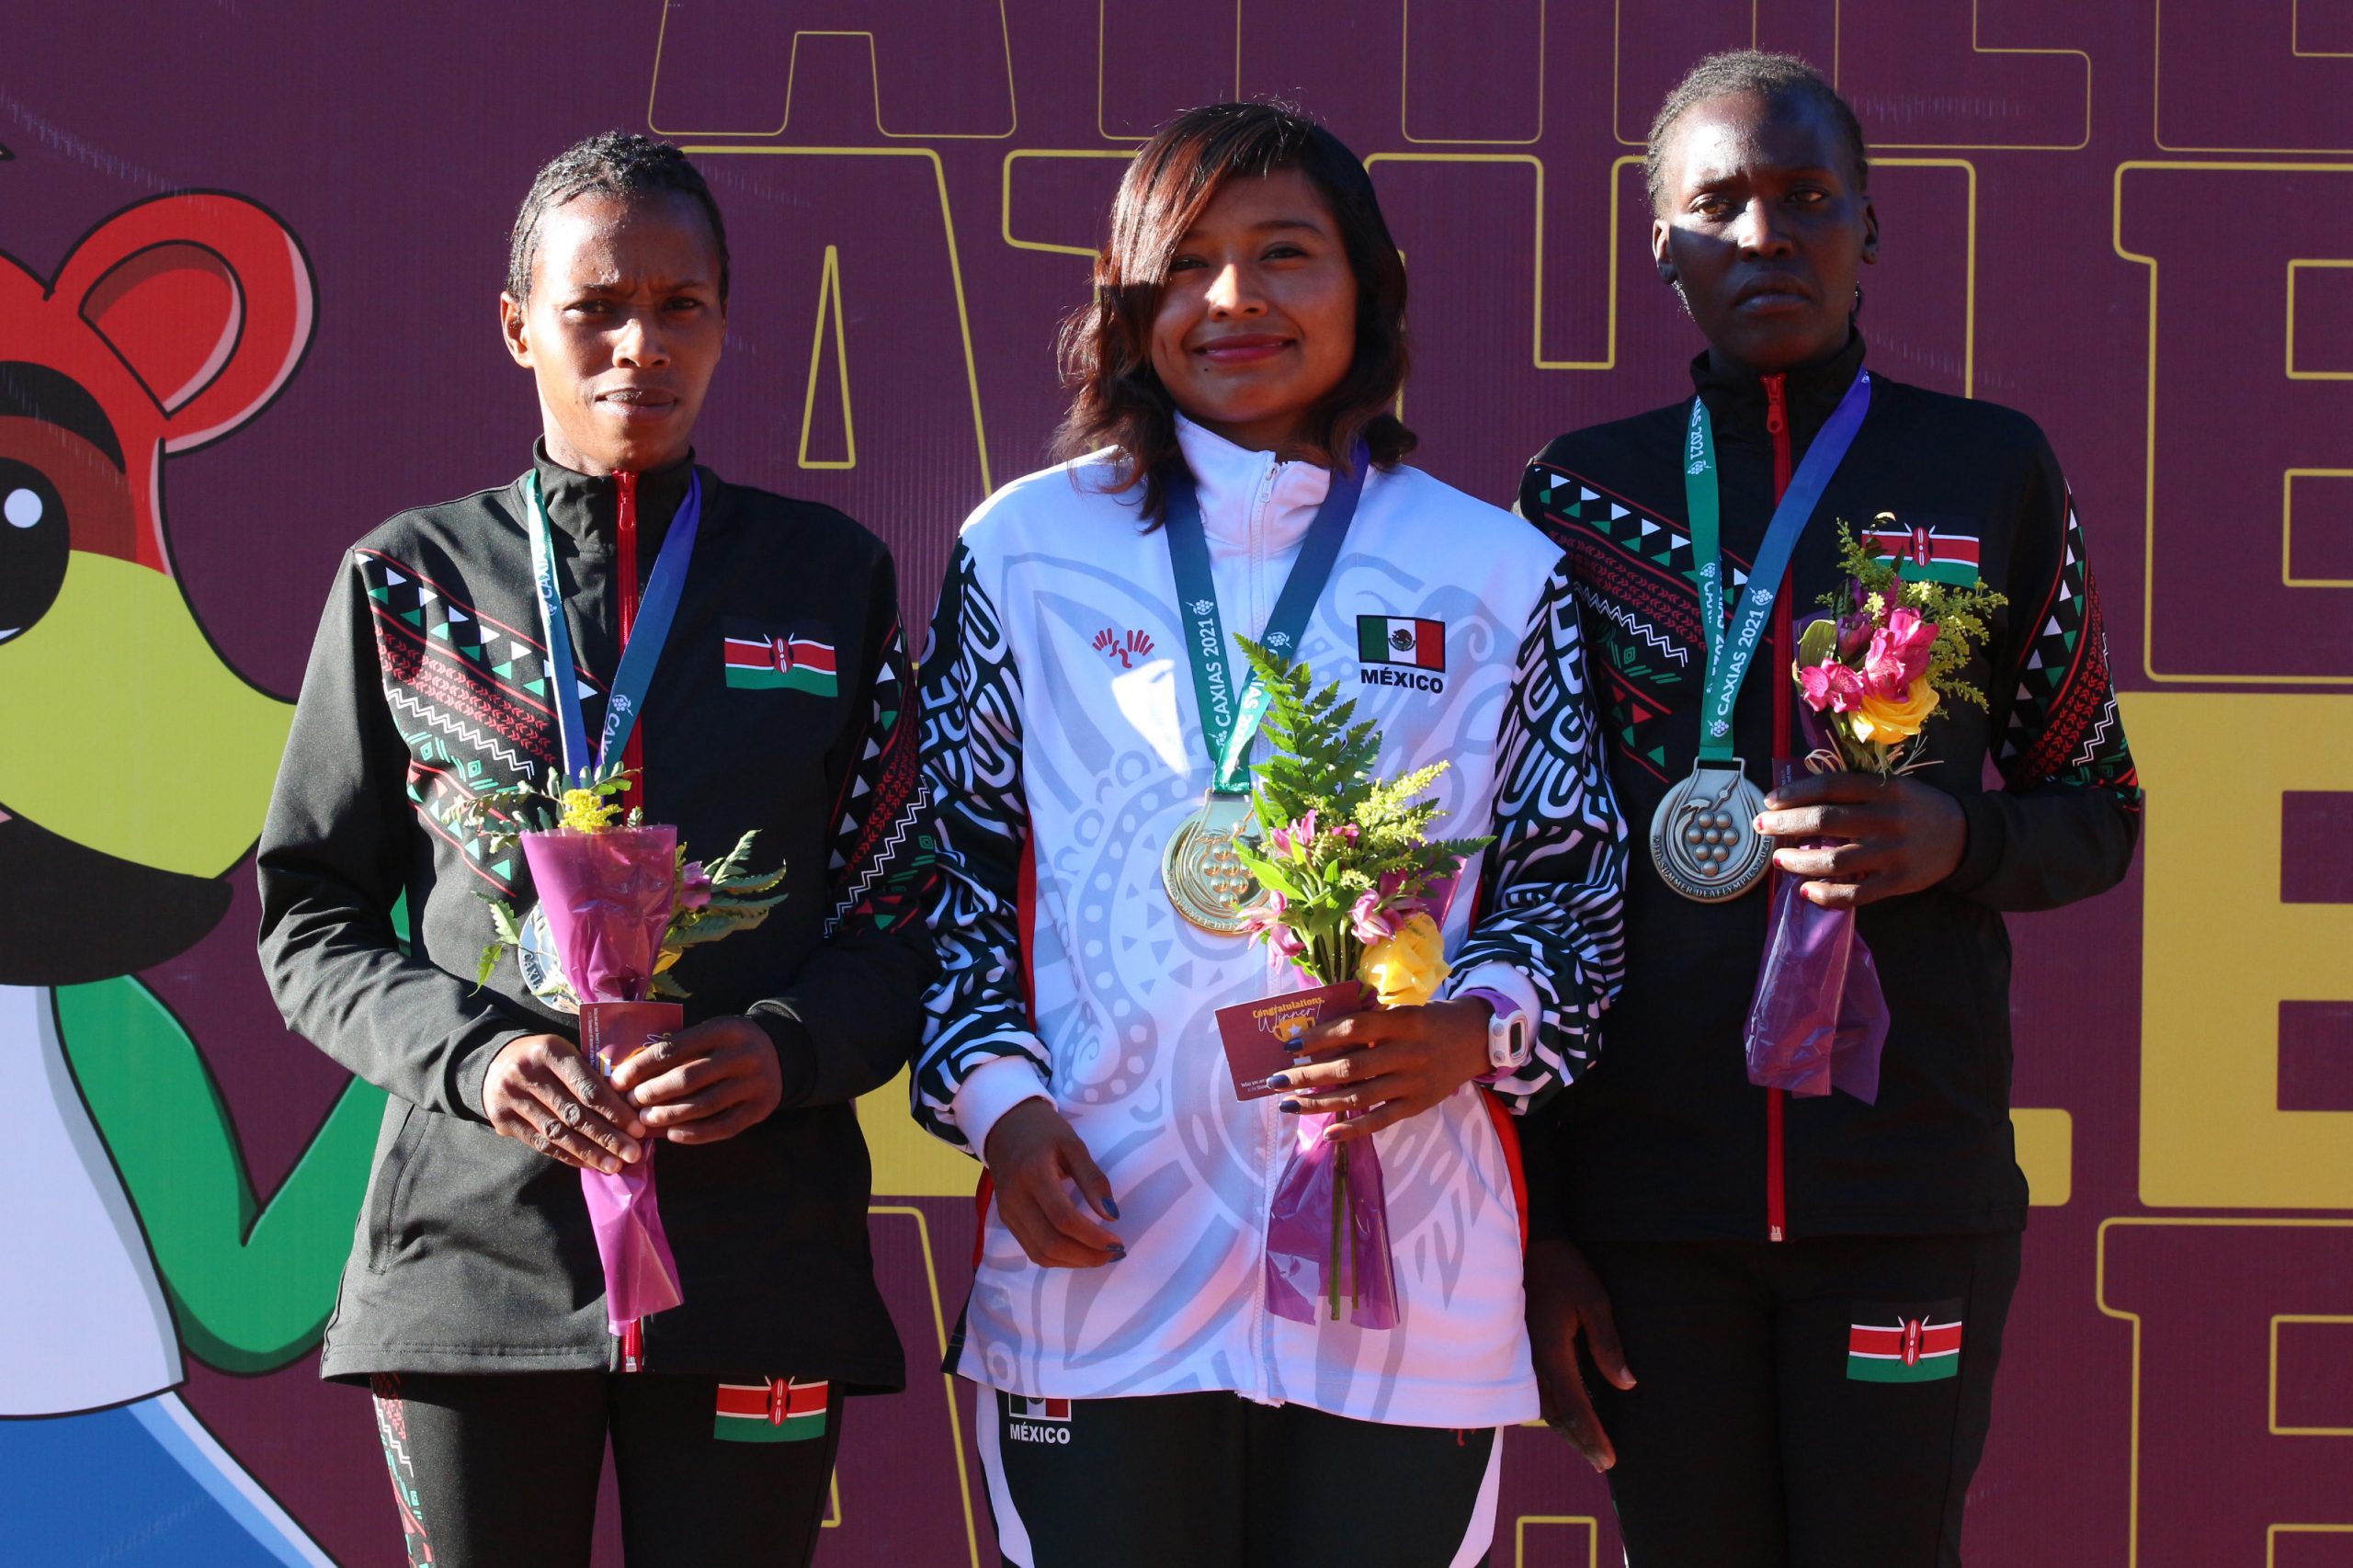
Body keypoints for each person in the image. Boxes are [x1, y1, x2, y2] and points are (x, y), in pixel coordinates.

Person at [912, 102, 1626, 1568]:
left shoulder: (1495, 570)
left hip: (1405, 1280)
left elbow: (1574, 891)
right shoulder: (1024, 552)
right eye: (1185, 264)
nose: (1233, 297)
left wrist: (1473, 1033)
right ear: (1126, 300)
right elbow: (943, 877)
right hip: (1101, 1262)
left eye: (1285, 253)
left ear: (1370, 284)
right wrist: (1002, 1108)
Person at [256, 131, 934, 1567]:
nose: (642, 345)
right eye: (597, 308)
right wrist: (478, 1057)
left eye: (682, 306)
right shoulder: (408, 580)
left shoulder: (830, 577)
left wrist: (788, 1047)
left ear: (727, 322)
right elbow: (309, 917)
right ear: (519, 327)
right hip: (474, 1261)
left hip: (756, 1256)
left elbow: (896, 913)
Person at [1513, 52, 2143, 1566]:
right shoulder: (1574, 501)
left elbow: (2098, 807)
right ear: (1662, 245)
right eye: (1719, 203)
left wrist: (1959, 840)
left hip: (1906, 1189)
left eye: (1806, 196)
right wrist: (1544, 1226)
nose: (1766, 233)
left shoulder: (1989, 468)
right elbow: (1522, 878)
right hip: (1651, 1208)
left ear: (1870, 224)